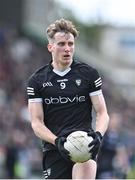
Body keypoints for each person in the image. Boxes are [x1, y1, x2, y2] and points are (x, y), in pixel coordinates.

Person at [27, 18, 109, 179]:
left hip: (84, 147)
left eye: (70, 44)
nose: (67, 49)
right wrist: (58, 141)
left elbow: (102, 113)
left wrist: (98, 134)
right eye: (62, 44)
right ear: (50, 47)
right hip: (55, 149)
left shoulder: (88, 74)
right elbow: (36, 123)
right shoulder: (37, 80)